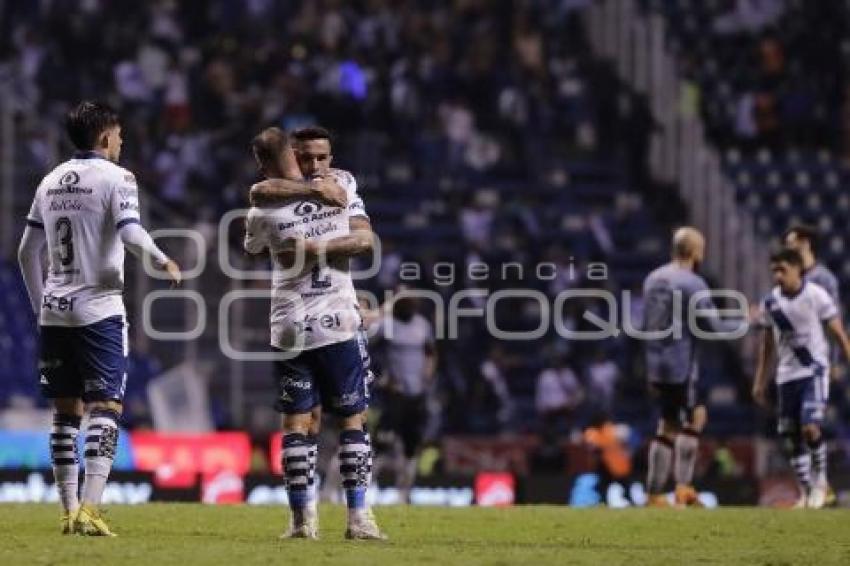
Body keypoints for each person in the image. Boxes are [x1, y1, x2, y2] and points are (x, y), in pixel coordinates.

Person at [17, 101, 182, 536]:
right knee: (105, 406)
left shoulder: (49, 180)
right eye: (120, 134)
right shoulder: (117, 177)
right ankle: (91, 508)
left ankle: (68, 511)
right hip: (99, 309)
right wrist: (163, 259)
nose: (123, 141)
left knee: (65, 414)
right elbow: (130, 233)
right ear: (106, 136)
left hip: (55, 311)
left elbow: (25, 253)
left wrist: (40, 308)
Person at [244, 126, 384, 540]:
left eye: (323, 157)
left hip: (305, 322)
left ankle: (329, 520)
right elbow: (361, 241)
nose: (317, 166)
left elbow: (253, 242)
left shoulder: (332, 185)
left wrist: (310, 250)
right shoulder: (335, 188)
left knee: (314, 423)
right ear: (291, 155)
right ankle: (325, 519)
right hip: (320, 323)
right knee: (331, 422)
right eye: (307, 157)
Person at [641, 227, 739, 507]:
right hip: (680, 363)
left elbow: (644, 324)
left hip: (656, 362)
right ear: (694, 251)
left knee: (670, 422)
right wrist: (749, 321)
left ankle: (656, 493)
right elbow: (715, 327)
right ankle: (679, 489)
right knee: (693, 419)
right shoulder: (692, 283)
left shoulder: (653, 279)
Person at [752, 248, 850, 508]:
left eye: (782, 269)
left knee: (809, 427)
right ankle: (806, 491)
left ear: (797, 269)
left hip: (814, 371)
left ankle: (821, 484)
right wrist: (760, 381)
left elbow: (838, 333)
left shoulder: (816, 295)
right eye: (774, 270)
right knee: (790, 434)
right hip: (785, 376)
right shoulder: (770, 303)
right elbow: (767, 346)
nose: (777, 275)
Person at [372, 294, 436, 503]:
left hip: (416, 394)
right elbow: (366, 346)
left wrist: (428, 374)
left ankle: (404, 494)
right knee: (381, 443)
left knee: (411, 446)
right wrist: (381, 376)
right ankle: (363, 490)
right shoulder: (386, 326)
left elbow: (430, 352)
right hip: (395, 394)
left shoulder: (422, 325)